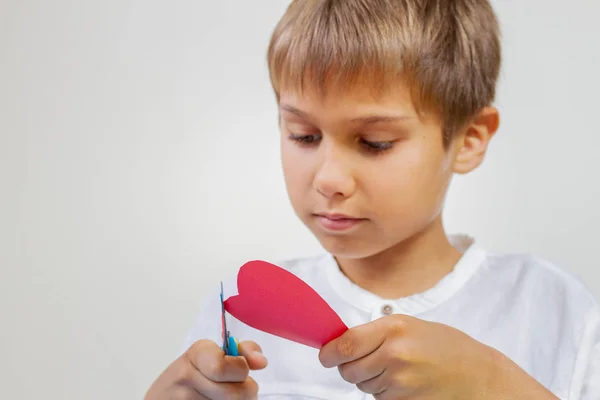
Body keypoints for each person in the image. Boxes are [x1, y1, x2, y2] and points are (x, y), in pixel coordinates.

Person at [144, 0, 599, 399]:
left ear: (469, 140)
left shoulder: (553, 309)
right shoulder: (239, 316)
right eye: (304, 136)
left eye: (375, 142)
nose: (329, 179)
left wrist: (493, 385)